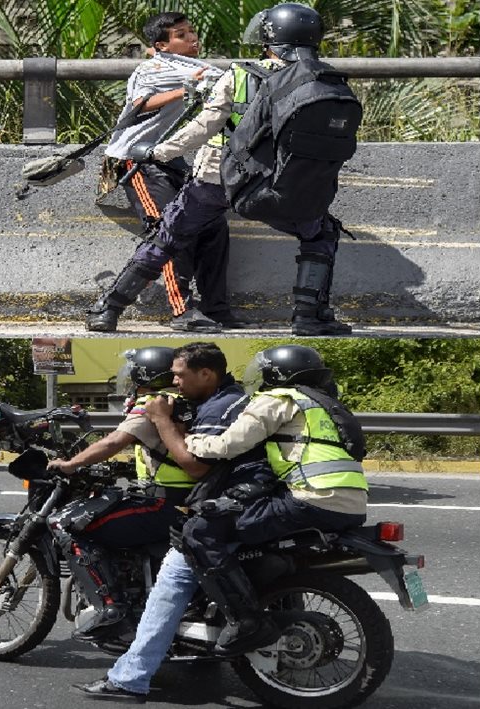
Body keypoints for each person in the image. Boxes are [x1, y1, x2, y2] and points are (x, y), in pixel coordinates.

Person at [138, 3, 353, 336]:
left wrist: (160, 152)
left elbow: (205, 125)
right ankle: (308, 316)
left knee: (168, 235)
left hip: (219, 177)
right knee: (320, 233)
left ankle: (108, 308)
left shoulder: (241, 74)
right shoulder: (323, 78)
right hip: (280, 183)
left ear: (270, 38)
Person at [142, 344, 368, 655]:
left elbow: (227, 445)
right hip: (352, 505)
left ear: (275, 374)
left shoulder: (279, 399)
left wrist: (188, 437)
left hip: (310, 499)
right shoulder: (325, 404)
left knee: (201, 531)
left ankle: (246, 620)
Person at [75, 342, 270, 702]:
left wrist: (71, 464)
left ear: (206, 374)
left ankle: (130, 676)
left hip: (220, 503)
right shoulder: (227, 399)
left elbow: (193, 465)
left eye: (180, 374)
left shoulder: (211, 408)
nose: (175, 381)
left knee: (171, 582)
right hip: (244, 498)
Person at [91, 12, 239, 333]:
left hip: (169, 160)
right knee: (168, 230)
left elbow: (226, 84)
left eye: (192, 31)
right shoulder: (154, 67)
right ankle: (180, 310)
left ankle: (216, 307)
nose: (192, 38)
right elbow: (139, 105)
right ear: (162, 45)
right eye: (181, 35)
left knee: (214, 229)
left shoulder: (191, 68)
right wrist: (185, 91)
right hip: (132, 160)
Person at [44, 346, 196, 634]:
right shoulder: (186, 401)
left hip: (165, 503)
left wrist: (71, 464)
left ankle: (110, 606)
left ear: (145, 375)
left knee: (69, 526)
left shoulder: (153, 403)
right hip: (190, 498)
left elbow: (113, 442)